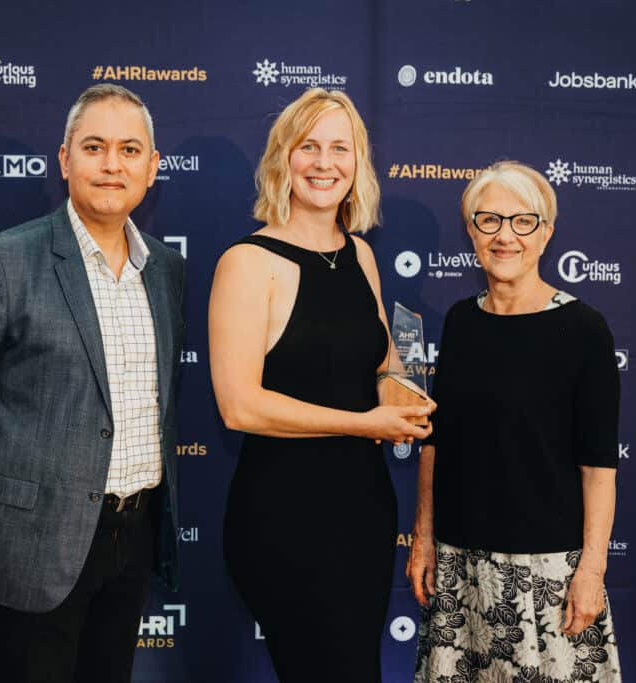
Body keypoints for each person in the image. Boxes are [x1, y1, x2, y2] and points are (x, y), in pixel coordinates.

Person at [0, 83, 186, 683]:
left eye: (130, 150)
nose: (112, 164)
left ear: (152, 167)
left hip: (132, 540)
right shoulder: (3, 262)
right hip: (29, 542)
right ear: (64, 160)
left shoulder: (166, 270)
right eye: (94, 147)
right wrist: (13, 474)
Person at [208, 88, 434, 682]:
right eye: (308, 146)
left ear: (358, 164)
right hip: (283, 519)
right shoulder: (247, 262)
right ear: (283, 158)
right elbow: (239, 406)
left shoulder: (360, 254)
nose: (324, 162)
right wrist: (365, 424)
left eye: (340, 148)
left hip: (361, 511)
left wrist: (404, 387)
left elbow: (383, 360)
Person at [407, 161, 623, 682]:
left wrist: (591, 570)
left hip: (547, 572)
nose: (505, 236)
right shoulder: (460, 321)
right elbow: (437, 442)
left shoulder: (583, 328)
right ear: (471, 232)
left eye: (522, 221)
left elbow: (598, 467)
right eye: (489, 221)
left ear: (545, 234)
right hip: (461, 566)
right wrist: (424, 536)